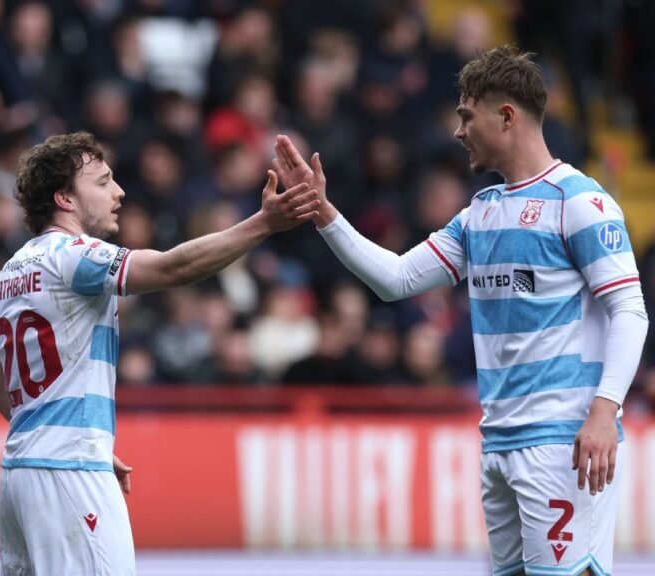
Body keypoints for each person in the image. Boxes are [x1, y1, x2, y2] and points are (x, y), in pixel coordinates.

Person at [273, 45, 649, 576]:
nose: (458, 131)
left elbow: (630, 309)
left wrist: (605, 413)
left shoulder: (580, 203)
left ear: (507, 116)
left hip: (563, 440)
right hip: (499, 442)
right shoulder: (479, 214)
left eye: (467, 116)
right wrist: (324, 214)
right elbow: (397, 279)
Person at [0, 131, 317, 575]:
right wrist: (263, 224)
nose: (119, 192)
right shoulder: (75, 255)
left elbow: (0, 392)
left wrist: (73, 441)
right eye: (102, 182)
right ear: (64, 199)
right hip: (69, 472)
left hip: (18, 475)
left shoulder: (10, 272)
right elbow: (173, 267)